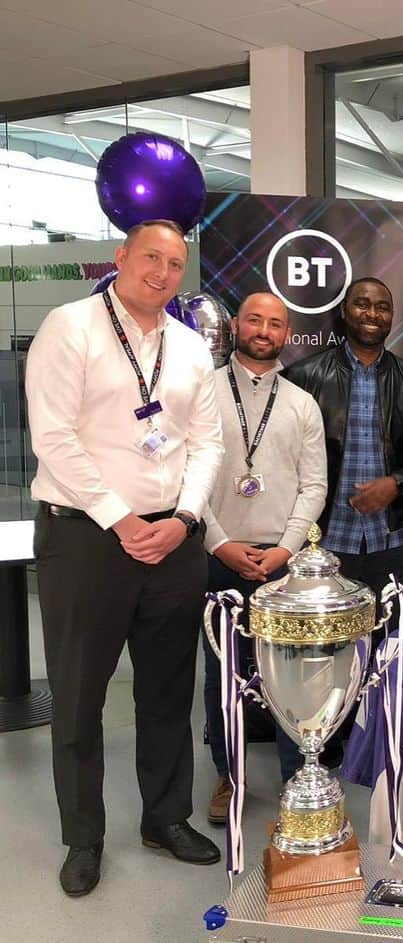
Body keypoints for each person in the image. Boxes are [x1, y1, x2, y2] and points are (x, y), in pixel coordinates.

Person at [26, 219, 224, 897]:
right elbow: (52, 436)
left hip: (172, 542)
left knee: (167, 690)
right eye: (150, 258)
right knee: (79, 694)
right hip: (86, 538)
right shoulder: (70, 326)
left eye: (174, 263)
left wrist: (186, 517)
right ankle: (84, 837)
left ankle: (165, 818)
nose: (162, 272)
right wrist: (121, 518)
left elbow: (208, 445)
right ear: (121, 258)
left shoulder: (193, 348)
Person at [200, 291, 327, 825]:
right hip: (218, 553)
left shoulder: (301, 403)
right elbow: (187, 478)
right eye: (255, 319)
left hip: (283, 563)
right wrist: (220, 543)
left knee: (292, 677)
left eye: (276, 323)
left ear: (286, 334)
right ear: (236, 326)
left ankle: (298, 774)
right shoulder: (201, 393)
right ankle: (229, 777)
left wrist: (284, 549)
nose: (264, 330)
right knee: (223, 673)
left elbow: (315, 486)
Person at [285, 275, 403, 600]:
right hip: (322, 539)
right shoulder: (305, 376)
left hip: (391, 539)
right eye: (362, 304)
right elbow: (283, 458)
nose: (372, 314)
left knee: (390, 638)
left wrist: (397, 483)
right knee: (325, 645)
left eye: (383, 307)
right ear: (344, 311)